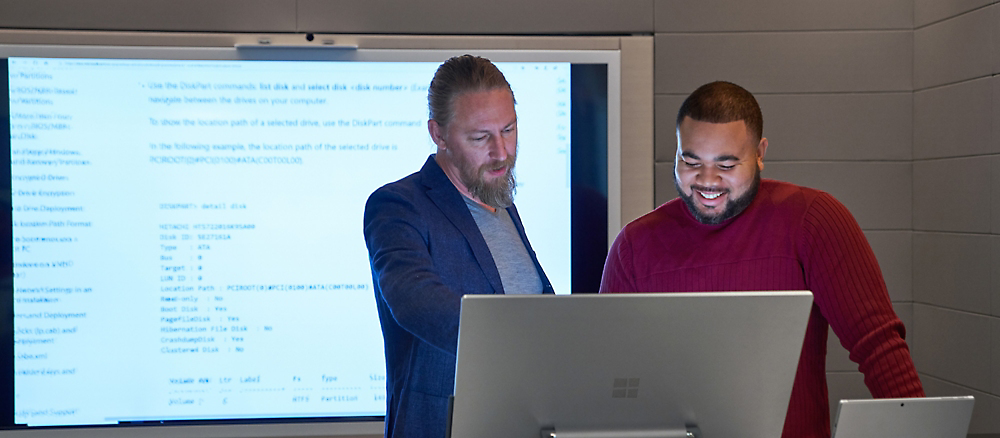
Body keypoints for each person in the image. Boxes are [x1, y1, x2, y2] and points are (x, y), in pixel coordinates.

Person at [600, 81, 924, 438]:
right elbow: (612, 377)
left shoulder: (812, 220)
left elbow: (878, 347)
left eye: (726, 164)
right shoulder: (635, 246)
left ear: (759, 152)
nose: (707, 181)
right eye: (690, 161)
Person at [363, 55, 554, 438]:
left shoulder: (502, 203)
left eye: (509, 130)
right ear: (439, 133)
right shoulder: (399, 205)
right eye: (480, 137)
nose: (501, 152)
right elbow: (415, 300)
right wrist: (518, 340)